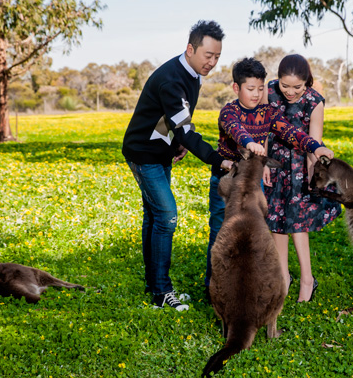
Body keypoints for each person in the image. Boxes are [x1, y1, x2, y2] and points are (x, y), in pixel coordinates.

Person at [122, 20, 233, 311]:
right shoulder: (172, 78)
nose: (212, 62)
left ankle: (153, 286)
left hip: (160, 151)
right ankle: (162, 293)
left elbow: (176, 118)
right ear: (190, 48)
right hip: (143, 153)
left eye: (217, 56)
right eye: (208, 55)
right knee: (167, 215)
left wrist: (176, 142)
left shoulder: (192, 73)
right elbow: (183, 126)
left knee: (154, 216)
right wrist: (217, 159)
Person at [204, 57, 335, 299]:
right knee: (224, 233)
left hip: (270, 177)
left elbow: (292, 132)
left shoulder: (282, 110)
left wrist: (316, 148)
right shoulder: (230, 111)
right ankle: (215, 288)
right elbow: (237, 129)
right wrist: (252, 145)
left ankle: (268, 283)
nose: (256, 94)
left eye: (260, 89)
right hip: (234, 179)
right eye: (250, 89)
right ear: (237, 88)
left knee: (272, 228)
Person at [263, 54, 341, 303]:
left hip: (299, 165)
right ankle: (283, 276)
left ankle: (307, 279)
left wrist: (312, 177)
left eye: (297, 87)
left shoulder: (314, 101)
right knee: (276, 220)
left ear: (307, 83)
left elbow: (314, 144)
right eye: (285, 85)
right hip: (275, 163)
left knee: (297, 222)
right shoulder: (269, 92)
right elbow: (264, 129)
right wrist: (264, 161)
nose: (290, 91)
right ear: (278, 79)